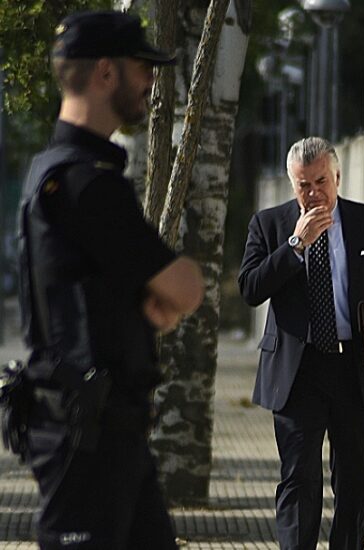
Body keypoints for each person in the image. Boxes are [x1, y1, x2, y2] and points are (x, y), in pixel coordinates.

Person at [15, 10, 204, 549]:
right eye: (141, 67)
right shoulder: (86, 184)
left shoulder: (56, 170)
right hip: (87, 440)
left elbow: (150, 297)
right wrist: (163, 287)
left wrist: (150, 294)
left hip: (104, 435)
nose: (149, 82)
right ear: (105, 72)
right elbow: (185, 289)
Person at [239, 137, 364, 550]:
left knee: (354, 480)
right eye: (304, 185)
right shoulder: (269, 226)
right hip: (297, 371)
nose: (314, 192)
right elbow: (249, 288)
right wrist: (295, 245)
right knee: (299, 479)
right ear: (292, 185)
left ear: (337, 176)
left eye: (321, 181)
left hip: (353, 367)